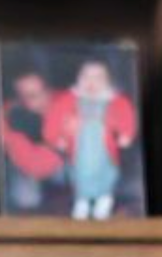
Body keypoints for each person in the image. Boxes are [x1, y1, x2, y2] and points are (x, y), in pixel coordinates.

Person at [43, 57, 138, 220]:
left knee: (107, 173)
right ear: (77, 78)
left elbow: (127, 116)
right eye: (86, 76)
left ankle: (104, 198)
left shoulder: (116, 100)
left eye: (98, 77)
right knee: (79, 174)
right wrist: (56, 138)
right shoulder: (67, 99)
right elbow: (53, 119)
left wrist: (126, 133)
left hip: (104, 149)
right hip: (80, 148)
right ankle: (82, 200)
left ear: (108, 81)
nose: (91, 82)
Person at [0, 69, 64, 212]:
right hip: (26, 165)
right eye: (30, 96)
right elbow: (29, 162)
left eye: (43, 91)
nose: (42, 99)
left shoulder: (65, 100)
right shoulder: (10, 115)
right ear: (19, 100)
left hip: (59, 162)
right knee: (27, 199)